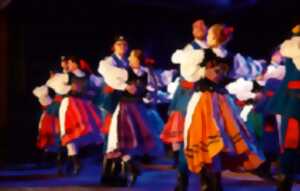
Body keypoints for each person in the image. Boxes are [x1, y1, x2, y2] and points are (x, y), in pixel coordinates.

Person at [58, 56, 103, 175]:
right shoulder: (90, 77)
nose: (68, 65)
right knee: (77, 133)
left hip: (71, 104)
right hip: (84, 105)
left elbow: (56, 86)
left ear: (75, 64)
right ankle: (70, 166)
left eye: (69, 63)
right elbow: (100, 85)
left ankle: (76, 163)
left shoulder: (68, 76)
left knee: (69, 132)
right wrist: (90, 92)